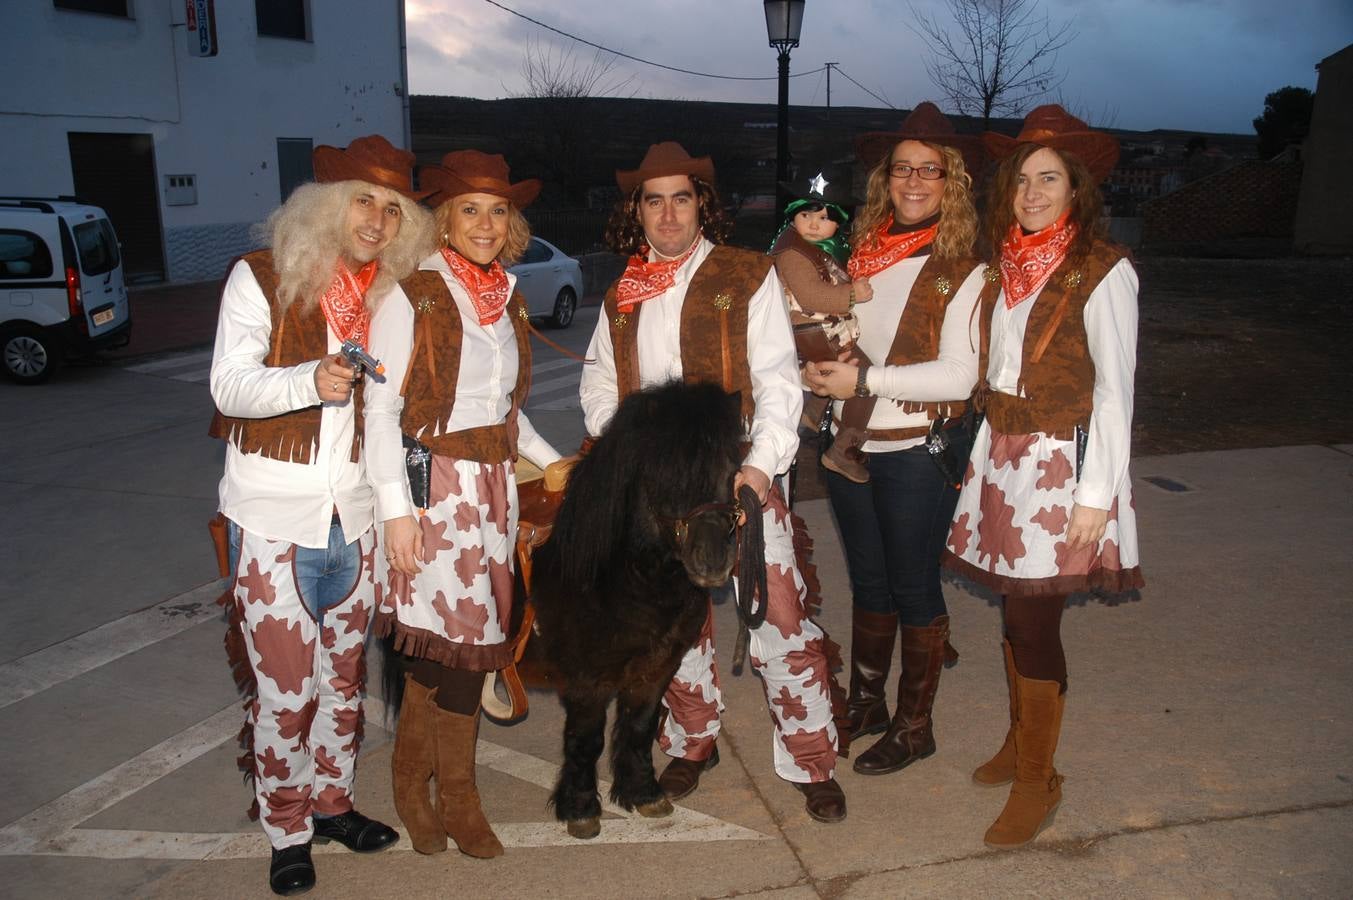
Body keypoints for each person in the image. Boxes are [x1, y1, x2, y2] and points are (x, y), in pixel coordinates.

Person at [578, 141, 846, 823]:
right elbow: (600, 386)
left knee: (779, 618)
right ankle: (693, 743)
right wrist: (630, 448)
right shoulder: (622, 294)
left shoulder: (744, 273)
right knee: (672, 630)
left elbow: (778, 381)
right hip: (657, 494)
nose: (668, 213)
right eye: (653, 199)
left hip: (736, 480)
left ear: (702, 203)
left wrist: (760, 467)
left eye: (681, 197)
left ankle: (811, 758)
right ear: (635, 210)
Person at [210, 134, 430, 896]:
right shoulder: (261, 277)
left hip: (358, 523)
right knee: (286, 692)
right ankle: (287, 828)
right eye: (362, 199)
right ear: (326, 205)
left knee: (342, 682)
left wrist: (398, 512)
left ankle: (334, 804)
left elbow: (393, 417)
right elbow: (229, 388)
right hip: (274, 522)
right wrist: (311, 378)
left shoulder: (390, 299)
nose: (376, 218)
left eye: (393, 208)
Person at [942, 105, 1144, 849]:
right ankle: (1018, 741)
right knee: (1012, 609)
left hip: (1063, 465)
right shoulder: (1006, 266)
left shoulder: (1103, 267)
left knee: (1032, 618)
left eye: (1047, 179)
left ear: (1075, 187)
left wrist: (1095, 498)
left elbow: (1118, 391)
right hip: (1001, 457)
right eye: (1022, 179)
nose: (1031, 192)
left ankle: (1039, 778)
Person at [365, 150, 563, 858]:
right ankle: (444, 796)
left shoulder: (505, 296)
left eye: (498, 209)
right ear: (442, 219)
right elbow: (379, 410)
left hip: (492, 492)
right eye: (469, 209)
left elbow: (506, 415)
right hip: (432, 491)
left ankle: (431, 787)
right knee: (450, 652)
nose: (485, 223)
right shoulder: (409, 292)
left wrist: (552, 459)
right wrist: (395, 512)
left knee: (467, 651)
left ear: (512, 222)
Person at [804, 103, 993, 777]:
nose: (914, 181)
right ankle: (867, 703)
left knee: (912, 585)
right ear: (885, 178)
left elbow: (959, 373)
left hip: (916, 447)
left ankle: (916, 726)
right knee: (870, 581)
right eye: (902, 168)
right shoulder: (862, 254)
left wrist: (860, 379)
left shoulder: (964, 267)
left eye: (930, 170)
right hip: (848, 445)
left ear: (953, 182)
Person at [767, 170, 876, 483]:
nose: (815, 224)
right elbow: (810, 295)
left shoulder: (817, 248)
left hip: (816, 329)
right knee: (864, 379)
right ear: (793, 215)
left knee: (832, 372)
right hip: (811, 330)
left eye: (825, 218)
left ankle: (812, 414)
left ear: (838, 223)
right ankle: (844, 449)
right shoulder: (793, 252)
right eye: (806, 215)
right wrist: (853, 293)